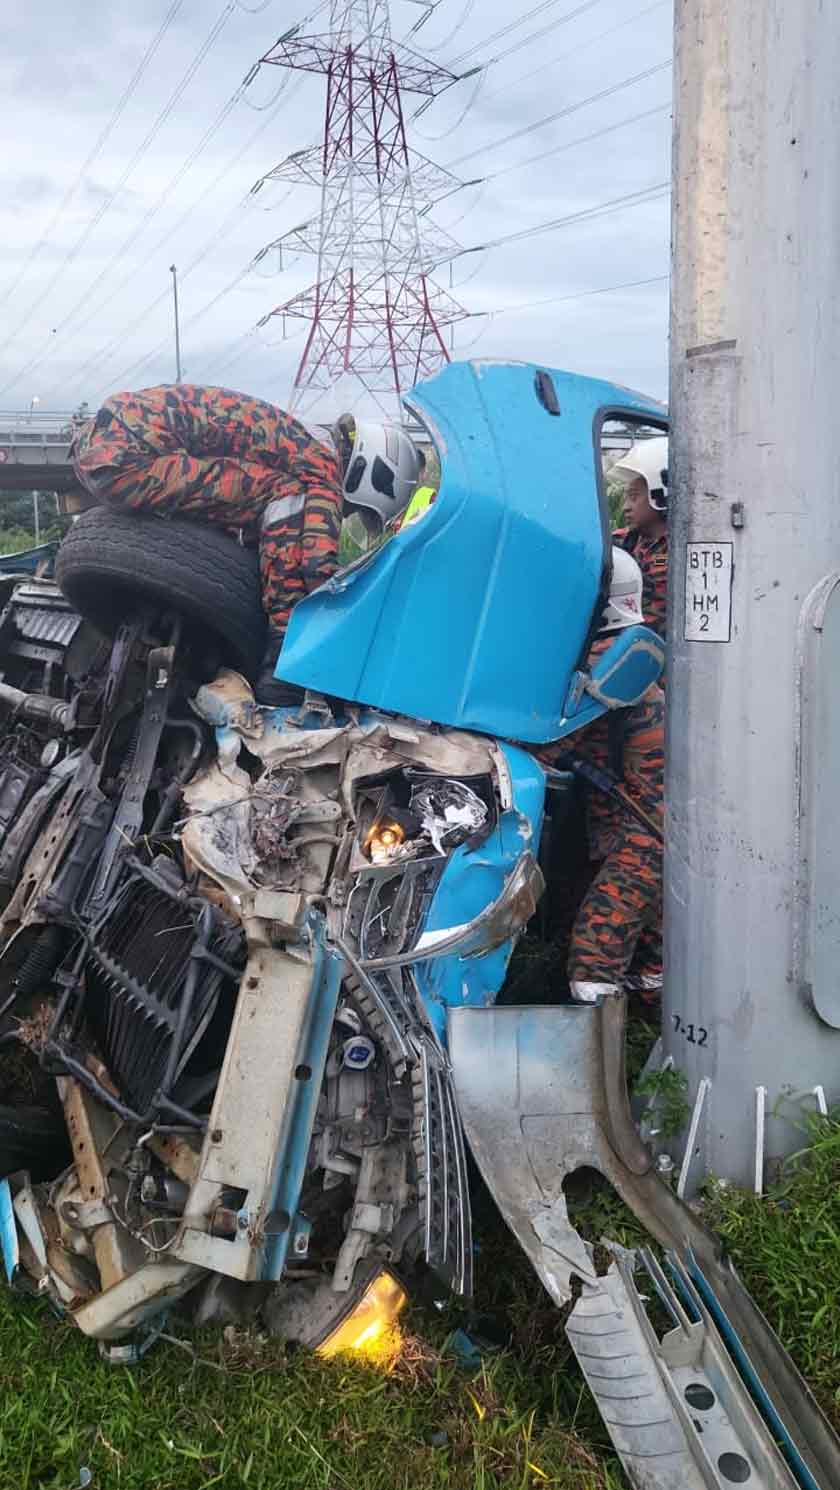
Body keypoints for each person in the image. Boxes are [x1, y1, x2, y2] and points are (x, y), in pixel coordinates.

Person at [72, 386, 422, 704]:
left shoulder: (297, 442)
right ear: (370, 472)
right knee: (285, 495)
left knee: (262, 506)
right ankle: (282, 665)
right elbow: (316, 560)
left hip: (103, 454)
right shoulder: (322, 463)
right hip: (133, 457)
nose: (345, 514)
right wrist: (332, 617)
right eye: (355, 509)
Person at [544, 548, 665, 1006]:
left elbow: (553, 742)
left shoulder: (605, 660)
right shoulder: (625, 650)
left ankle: (600, 1059)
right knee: (651, 961)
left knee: (594, 961)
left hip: (643, 834)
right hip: (640, 828)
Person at [610, 435, 669, 638]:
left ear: (660, 495)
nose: (626, 507)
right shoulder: (623, 542)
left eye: (634, 497)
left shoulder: (682, 550)